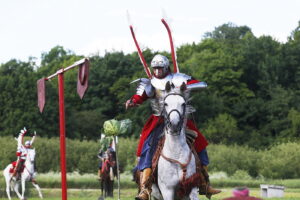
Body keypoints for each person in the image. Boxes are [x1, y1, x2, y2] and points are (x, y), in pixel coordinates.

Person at [126, 54, 221, 200]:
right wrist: (132, 101)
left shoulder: (177, 78)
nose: (157, 71)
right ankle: (145, 188)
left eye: (160, 68)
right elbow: (139, 97)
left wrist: (184, 86)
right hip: (159, 120)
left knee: (200, 143)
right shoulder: (149, 83)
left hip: (180, 118)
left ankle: (204, 182)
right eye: (155, 68)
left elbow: (202, 84)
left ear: (166, 67)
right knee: (148, 146)